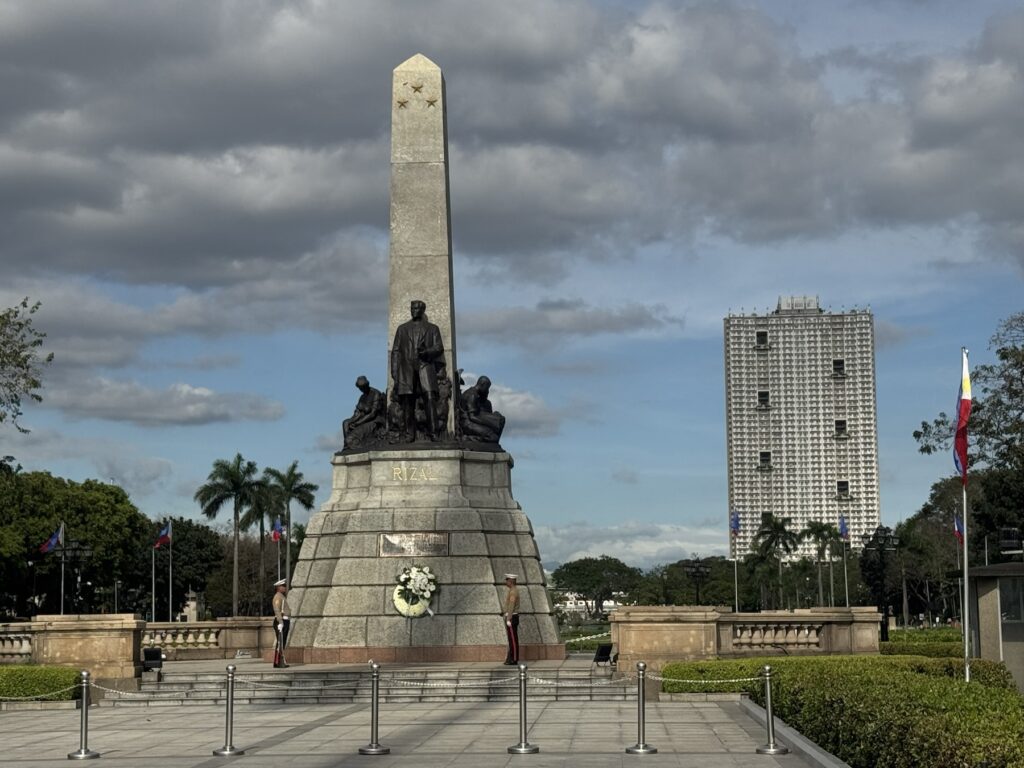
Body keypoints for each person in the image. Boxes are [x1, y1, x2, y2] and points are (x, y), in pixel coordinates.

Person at [391, 300, 444, 442]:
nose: (414, 310)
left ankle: (434, 433)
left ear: (422, 310)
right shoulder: (402, 329)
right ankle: (409, 434)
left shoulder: (432, 328)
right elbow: (396, 351)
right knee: (408, 401)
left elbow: (439, 347)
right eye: (412, 308)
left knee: (430, 398)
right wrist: (395, 373)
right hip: (406, 369)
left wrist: (426, 352)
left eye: (417, 308)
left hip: (424, 366)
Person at [342, 376, 385, 450]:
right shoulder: (362, 396)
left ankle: (350, 443)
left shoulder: (375, 393)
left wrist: (358, 423)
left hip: (374, 420)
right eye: (360, 388)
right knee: (345, 423)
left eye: (363, 387)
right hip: (362, 418)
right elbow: (357, 412)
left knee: (351, 437)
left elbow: (373, 414)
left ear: (367, 385)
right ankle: (347, 446)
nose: (361, 390)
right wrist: (352, 420)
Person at [460, 375, 505, 443]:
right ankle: (467, 438)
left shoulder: (476, 394)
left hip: (471, 421)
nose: (487, 390)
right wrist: (491, 423)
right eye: (487, 388)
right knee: (493, 437)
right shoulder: (472, 395)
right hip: (467, 424)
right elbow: (472, 417)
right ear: (482, 384)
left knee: (500, 419)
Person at [502, 573, 521, 665]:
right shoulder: (512, 590)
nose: (506, 582)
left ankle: (514, 658)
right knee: (511, 639)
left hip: (512, 616)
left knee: (513, 639)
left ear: (511, 581)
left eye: (507, 580)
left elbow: (511, 605)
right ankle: (512, 657)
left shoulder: (513, 591)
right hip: (512, 616)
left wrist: (509, 618)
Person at [272, 578, 291, 668]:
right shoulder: (278, 597)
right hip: (281, 621)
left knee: (282, 643)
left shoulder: (281, 596)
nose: (285, 588)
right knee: (280, 643)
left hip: (284, 620)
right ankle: (279, 662)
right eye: (283, 586)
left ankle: (279, 661)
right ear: (278, 587)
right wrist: (280, 622)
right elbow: (277, 609)